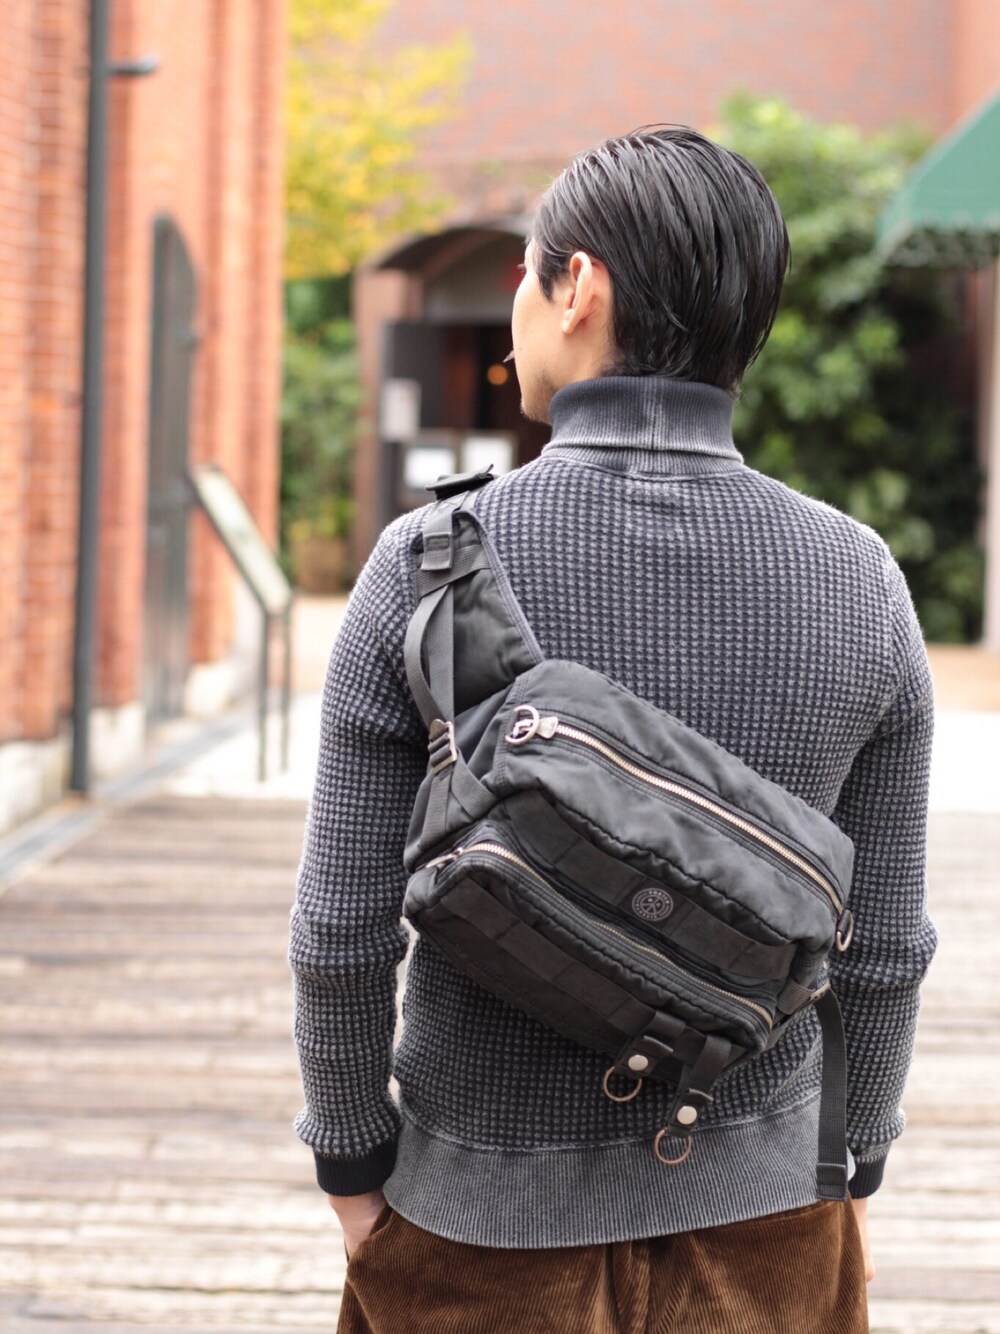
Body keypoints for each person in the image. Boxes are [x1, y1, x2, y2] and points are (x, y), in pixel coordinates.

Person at [289, 127, 936, 1333]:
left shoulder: (427, 565)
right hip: (766, 1208)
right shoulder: (860, 577)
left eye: (524, 275)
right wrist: (850, 1157)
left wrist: (352, 1162)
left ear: (577, 286)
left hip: (475, 1214)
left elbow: (341, 929)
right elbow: (886, 945)